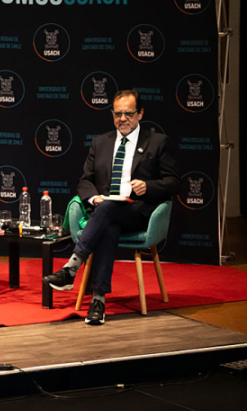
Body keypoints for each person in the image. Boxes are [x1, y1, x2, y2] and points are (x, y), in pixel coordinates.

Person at [43, 90, 181, 325]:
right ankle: (98, 301)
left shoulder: (157, 142)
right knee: (108, 226)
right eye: (118, 114)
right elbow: (85, 181)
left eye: (128, 113)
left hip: (138, 212)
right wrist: (93, 198)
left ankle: (72, 267)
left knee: (107, 211)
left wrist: (148, 186)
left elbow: (175, 182)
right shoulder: (101, 142)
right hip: (106, 213)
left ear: (140, 114)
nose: (122, 119)